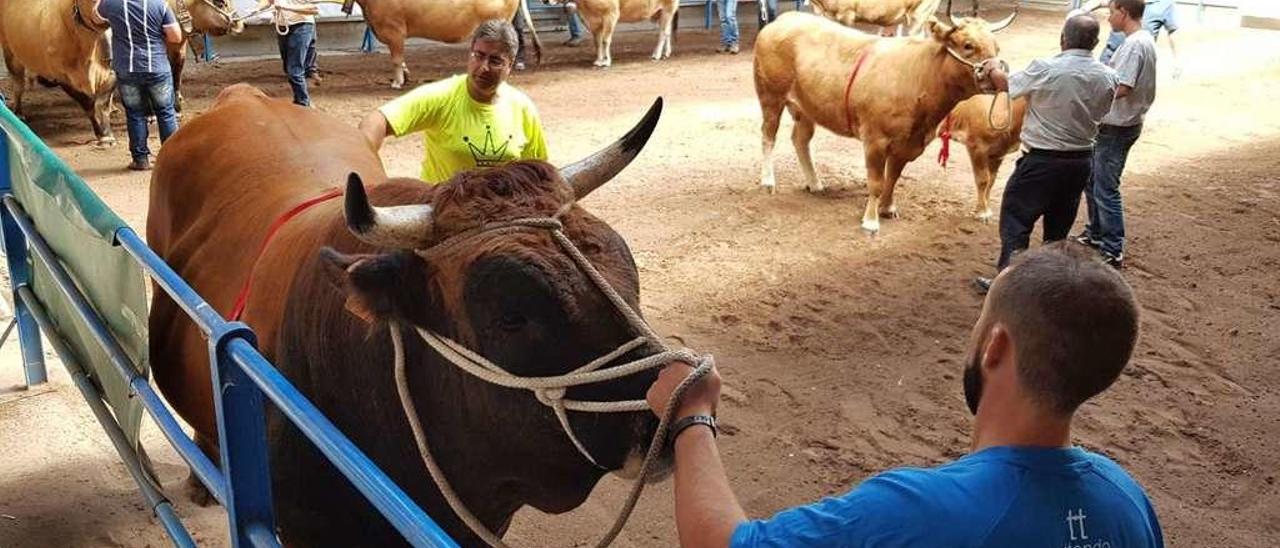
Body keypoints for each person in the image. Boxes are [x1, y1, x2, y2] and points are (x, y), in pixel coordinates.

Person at [646, 242, 1164, 548]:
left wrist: (692, 416)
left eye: (981, 321)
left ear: (995, 346)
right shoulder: (1126, 501)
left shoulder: (918, 511)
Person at [973, 13, 1118, 293]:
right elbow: (1102, 112)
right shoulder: (1108, 76)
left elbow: (1005, 84)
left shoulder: (1045, 68)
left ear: (1063, 39)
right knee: (1058, 228)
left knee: (1016, 221)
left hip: (1041, 160)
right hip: (1079, 161)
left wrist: (992, 68)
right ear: (1095, 43)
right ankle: (1047, 285)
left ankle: (1008, 285)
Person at [359, 20, 548, 184]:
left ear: (511, 64)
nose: (483, 68)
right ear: (470, 53)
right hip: (445, 213)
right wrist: (364, 173)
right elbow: (375, 121)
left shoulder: (523, 107)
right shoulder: (441, 96)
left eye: (495, 61)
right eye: (479, 55)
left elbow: (538, 171)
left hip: (501, 218)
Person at [1075, 0, 1158, 270]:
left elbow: (1123, 86)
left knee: (1105, 187)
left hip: (1118, 126)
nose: (1109, 18)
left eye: (1111, 12)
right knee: (1093, 181)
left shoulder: (1135, 44)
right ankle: (1097, 233)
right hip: (1118, 123)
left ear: (1123, 11)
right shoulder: (1140, 40)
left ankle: (1113, 247)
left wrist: (1091, 98)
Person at [96, 0, 184, 171]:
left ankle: (141, 160)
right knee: (166, 112)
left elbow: (96, 17)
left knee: (135, 113)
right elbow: (176, 36)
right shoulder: (160, 5)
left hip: (127, 69)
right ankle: (172, 159)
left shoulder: (111, 4)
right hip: (157, 67)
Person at [257, 0, 319, 107]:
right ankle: (300, 99)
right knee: (288, 67)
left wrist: (287, 7)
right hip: (283, 25)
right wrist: (257, 9)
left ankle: (304, 102)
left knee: (294, 70)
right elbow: (269, 1)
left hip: (301, 26)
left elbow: (313, 9)